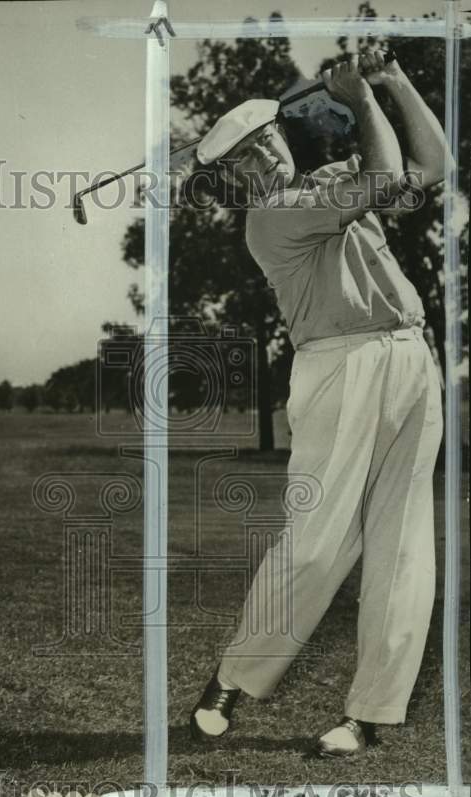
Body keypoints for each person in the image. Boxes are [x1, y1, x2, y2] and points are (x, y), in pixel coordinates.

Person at [188, 50, 447, 757]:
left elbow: (428, 167)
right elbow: (386, 175)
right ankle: (234, 679)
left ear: (282, 139)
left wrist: (391, 83)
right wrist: (359, 98)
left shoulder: (331, 181)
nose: (264, 160)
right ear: (234, 181)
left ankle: (367, 713)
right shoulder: (269, 219)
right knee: (317, 539)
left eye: (267, 142)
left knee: (403, 548)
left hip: (409, 358)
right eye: (244, 159)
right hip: (338, 366)